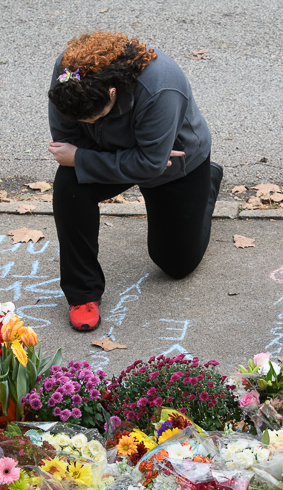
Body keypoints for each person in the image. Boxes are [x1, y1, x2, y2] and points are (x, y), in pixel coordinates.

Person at [48, 31, 222, 331]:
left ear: (112, 94)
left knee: (176, 265)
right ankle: (82, 293)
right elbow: (65, 140)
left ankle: (208, 183)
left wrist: (84, 157)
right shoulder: (69, 77)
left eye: (92, 117)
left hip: (177, 165)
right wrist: (133, 159)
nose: (86, 123)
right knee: (69, 186)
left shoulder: (161, 86)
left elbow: (152, 165)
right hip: (124, 156)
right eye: (82, 121)